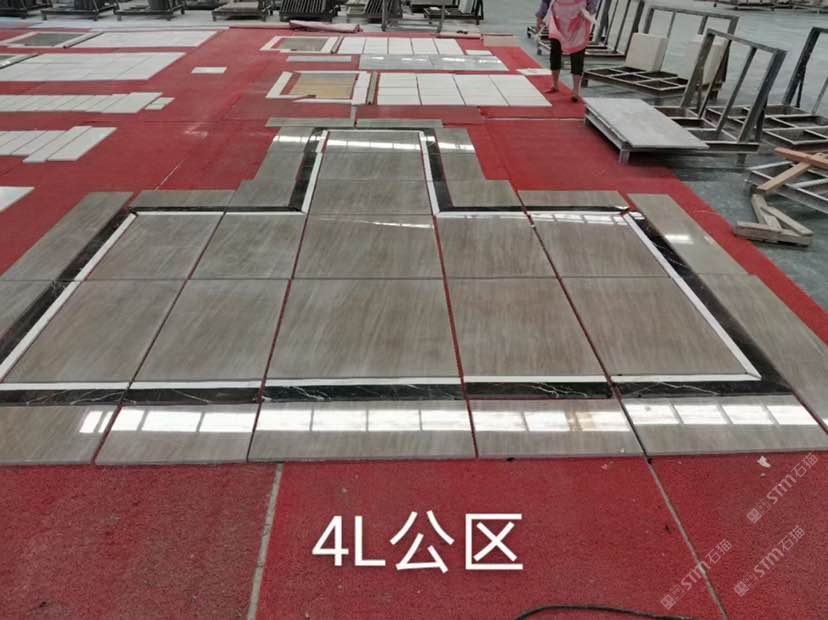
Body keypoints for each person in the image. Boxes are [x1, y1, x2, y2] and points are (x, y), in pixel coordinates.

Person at [535, 0, 599, 102]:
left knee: (577, 52)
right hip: (558, 16)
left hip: (578, 15)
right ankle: (555, 83)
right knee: (555, 48)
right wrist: (540, 17)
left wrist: (589, 10)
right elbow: (546, 1)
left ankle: (576, 89)